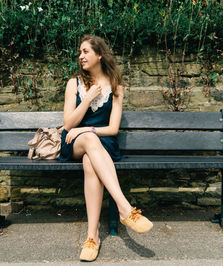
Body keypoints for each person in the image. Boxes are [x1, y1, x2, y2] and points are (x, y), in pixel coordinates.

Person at [58, 35, 153, 262]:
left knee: (91, 161)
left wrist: (86, 130)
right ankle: (125, 208)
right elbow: (68, 124)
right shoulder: (74, 84)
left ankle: (92, 238)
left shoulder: (115, 86)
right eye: (79, 52)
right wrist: (88, 98)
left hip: (101, 142)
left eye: (86, 52)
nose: (81, 56)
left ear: (99, 54)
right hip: (74, 141)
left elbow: (112, 129)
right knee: (90, 142)